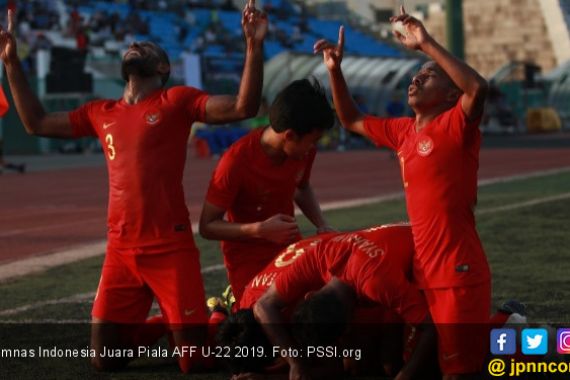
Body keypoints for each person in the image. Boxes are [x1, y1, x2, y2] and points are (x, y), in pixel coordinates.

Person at [0, 0, 267, 373]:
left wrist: (253, 46)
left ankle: (215, 317)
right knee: (104, 361)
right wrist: (11, 64)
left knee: (195, 363)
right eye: (133, 45)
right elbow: (37, 123)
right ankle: (167, 326)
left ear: (162, 68)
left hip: (169, 248)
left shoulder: (176, 100)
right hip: (121, 251)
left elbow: (244, 107)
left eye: (147, 46)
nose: (135, 44)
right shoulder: (100, 111)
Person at [314, 6, 490, 379]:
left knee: (460, 372)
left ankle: (507, 320)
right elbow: (351, 119)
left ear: (449, 95)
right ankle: (504, 321)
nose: (416, 80)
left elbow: (478, 87)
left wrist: (425, 44)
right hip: (422, 273)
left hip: (457, 272)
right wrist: (335, 70)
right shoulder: (402, 132)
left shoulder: (456, 125)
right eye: (415, 75)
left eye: (427, 76)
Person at [199, 78, 335, 305]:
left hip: (289, 248)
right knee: (263, 320)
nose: (314, 148)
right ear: (289, 135)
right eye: (313, 141)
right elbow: (207, 226)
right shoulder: (235, 162)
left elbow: (301, 187)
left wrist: (321, 224)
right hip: (247, 258)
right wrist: (259, 229)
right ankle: (227, 304)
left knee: (319, 305)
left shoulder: (301, 152)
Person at [253, 224, 435, 380]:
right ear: (310, 295)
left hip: (430, 254)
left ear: (348, 325)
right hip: (395, 265)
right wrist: (295, 361)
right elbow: (263, 305)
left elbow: (431, 326)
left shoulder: (377, 282)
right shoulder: (321, 254)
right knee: (380, 361)